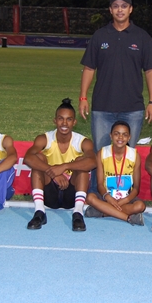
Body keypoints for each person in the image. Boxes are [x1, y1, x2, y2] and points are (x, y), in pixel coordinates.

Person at [78, 0, 152, 183]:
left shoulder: (142, 37)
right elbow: (89, 68)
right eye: (116, 6)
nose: (120, 10)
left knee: (127, 156)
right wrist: (83, 97)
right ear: (110, 10)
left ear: (130, 9)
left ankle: (124, 194)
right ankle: (98, 194)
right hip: (102, 107)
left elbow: (150, 71)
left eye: (124, 6)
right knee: (101, 155)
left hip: (132, 108)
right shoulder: (100, 36)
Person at [24, 99, 96, 232]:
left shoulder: (83, 141)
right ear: (55, 120)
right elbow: (28, 158)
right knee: (38, 158)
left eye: (69, 119)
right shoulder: (44, 138)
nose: (64, 123)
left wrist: (64, 166)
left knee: (82, 163)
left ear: (74, 122)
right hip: (50, 193)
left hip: (71, 195)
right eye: (61, 119)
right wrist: (53, 173)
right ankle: (39, 212)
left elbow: (93, 162)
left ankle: (78, 213)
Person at [84, 121, 146, 226]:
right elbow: (100, 184)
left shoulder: (135, 155)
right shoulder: (102, 153)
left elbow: (136, 188)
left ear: (129, 137)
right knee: (90, 197)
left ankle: (102, 212)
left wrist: (124, 200)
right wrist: (108, 197)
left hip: (126, 197)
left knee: (140, 206)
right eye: (116, 134)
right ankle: (127, 217)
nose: (120, 137)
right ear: (111, 136)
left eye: (124, 134)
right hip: (106, 195)